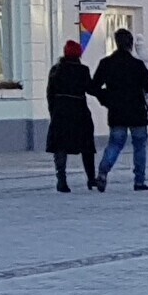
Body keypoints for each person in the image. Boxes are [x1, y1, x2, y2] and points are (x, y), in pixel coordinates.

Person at [92, 29, 148, 192]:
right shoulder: (137, 65)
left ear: (116, 43)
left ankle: (102, 173)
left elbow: (94, 87)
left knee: (115, 144)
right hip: (137, 111)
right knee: (139, 146)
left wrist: (106, 99)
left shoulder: (106, 63)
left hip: (117, 111)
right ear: (130, 44)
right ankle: (139, 181)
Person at [46, 38, 98, 192]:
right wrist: (107, 95)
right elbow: (91, 89)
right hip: (79, 110)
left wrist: (53, 111)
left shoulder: (56, 70)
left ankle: (61, 180)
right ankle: (91, 178)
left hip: (60, 111)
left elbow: (50, 93)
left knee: (60, 146)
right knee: (86, 146)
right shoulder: (82, 70)